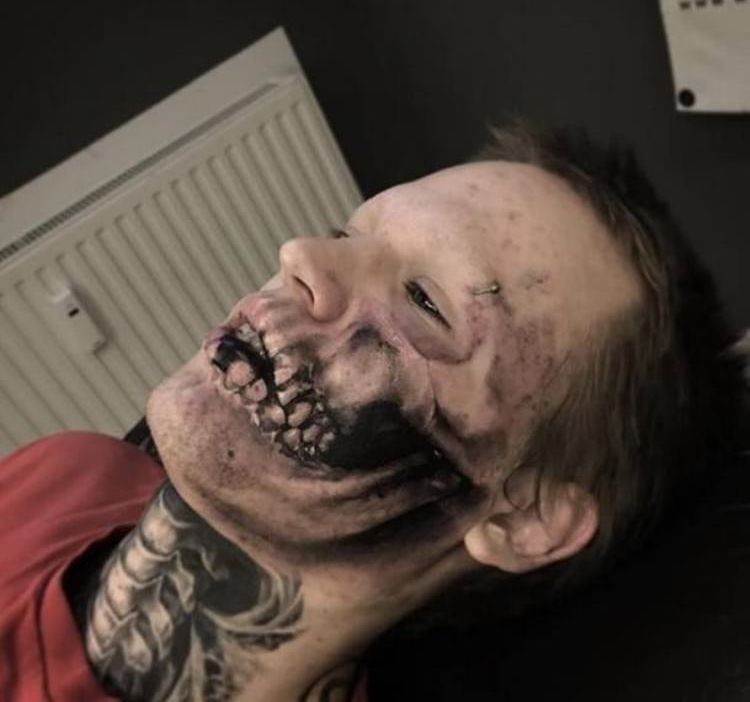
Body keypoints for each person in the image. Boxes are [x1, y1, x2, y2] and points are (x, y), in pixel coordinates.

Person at [1, 121, 744, 702]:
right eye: (346, 234)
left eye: (425, 300)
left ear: (524, 516)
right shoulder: (68, 469)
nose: (300, 254)